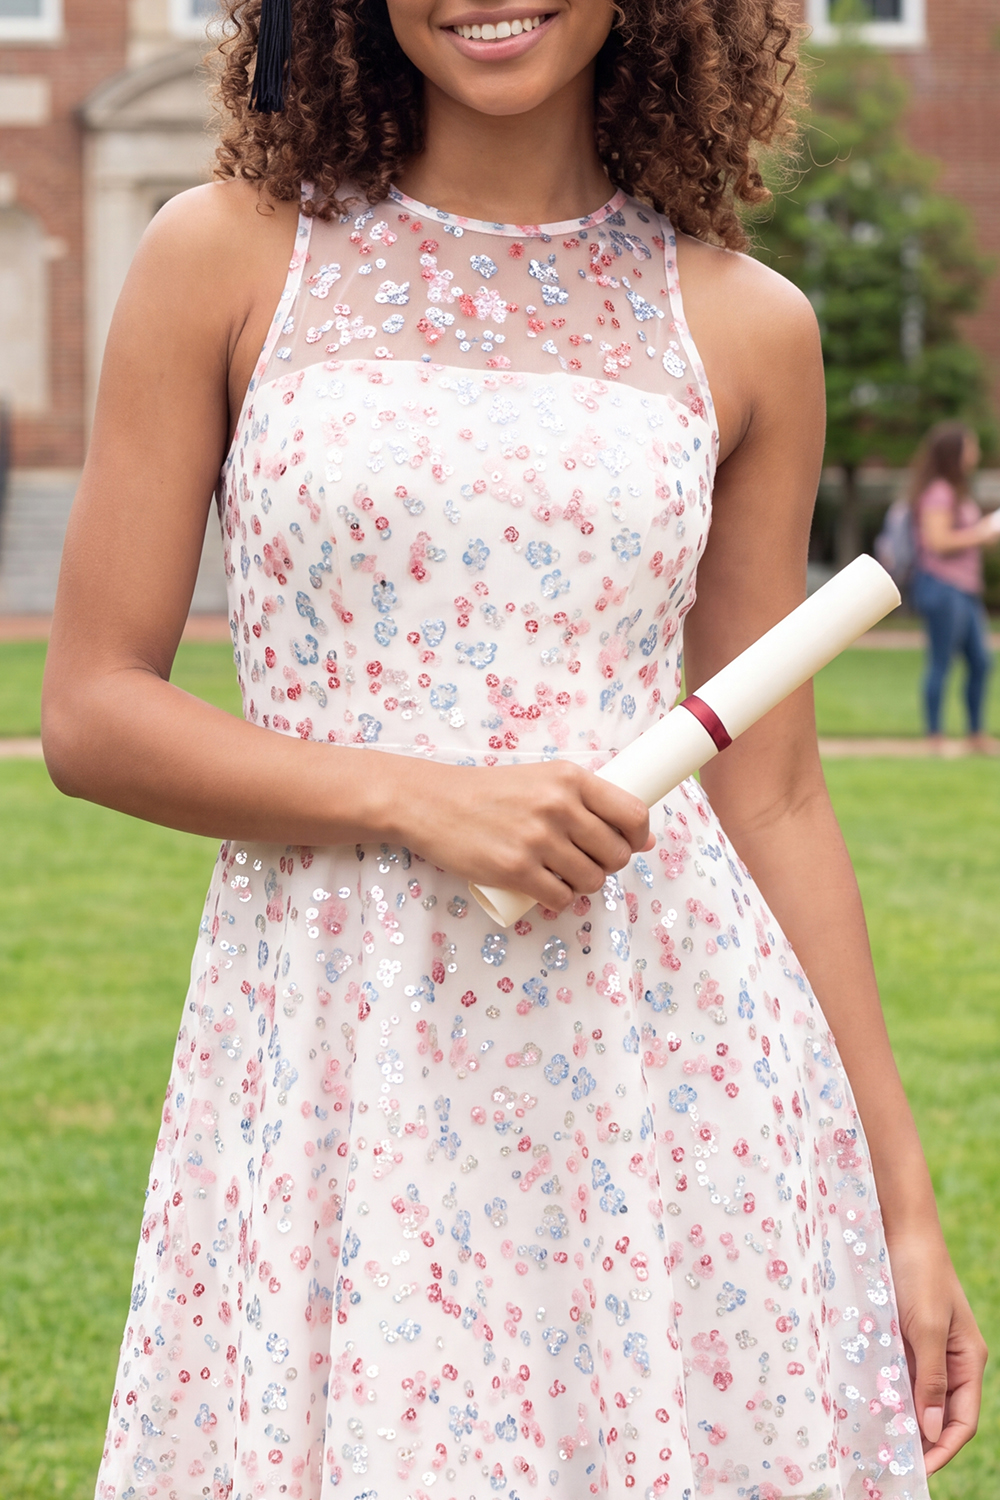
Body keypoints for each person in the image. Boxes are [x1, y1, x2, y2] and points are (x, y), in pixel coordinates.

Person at [40, 2, 985, 1497]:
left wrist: (905, 1201)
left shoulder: (746, 324)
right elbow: (91, 710)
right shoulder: (225, 258)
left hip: (657, 1061)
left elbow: (778, 792)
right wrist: (419, 801)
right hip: (343, 1043)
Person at [909, 421, 999, 752]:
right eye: (970, 446)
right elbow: (938, 541)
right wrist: (982, 533)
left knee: (981, 662)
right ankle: (935, 737)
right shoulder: (939, 493)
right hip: (942, 587)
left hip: (965, 589)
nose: (975, 453)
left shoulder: (955, 491)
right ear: (955, 451)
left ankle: (976, 734)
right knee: (940, 663)